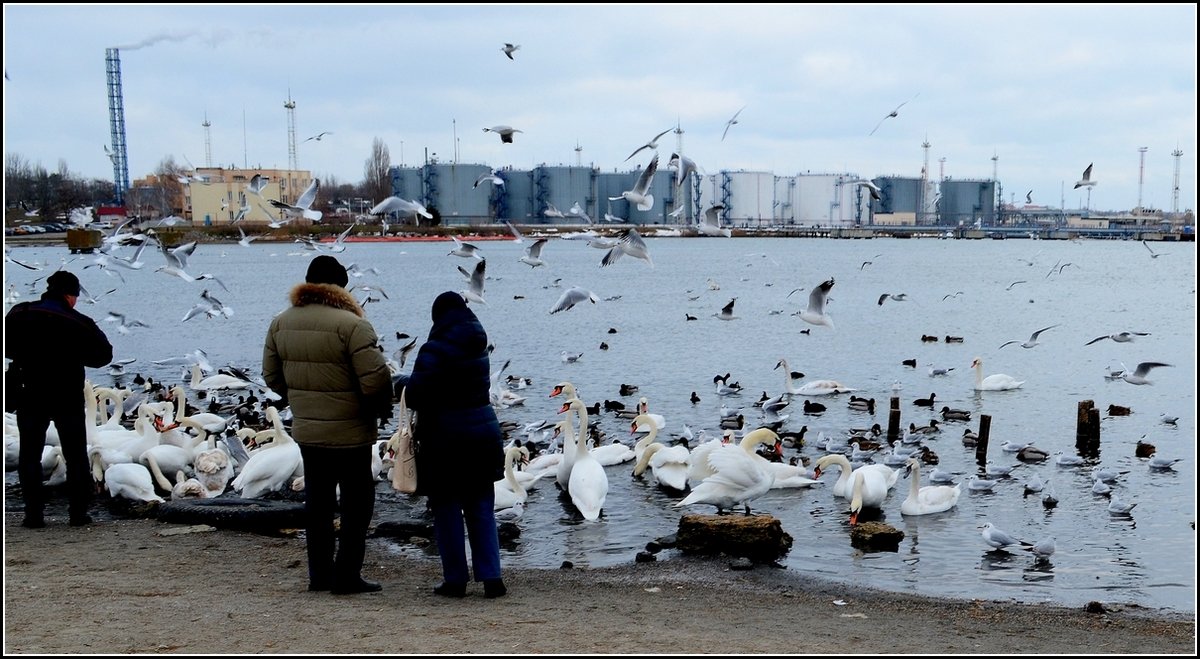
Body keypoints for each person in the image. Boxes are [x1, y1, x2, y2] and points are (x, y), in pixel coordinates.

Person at [262, 255, 393, 595]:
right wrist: (378, 409)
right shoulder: (353, 325)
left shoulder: (280, 323)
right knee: (356, 504)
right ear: (341, 287)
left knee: (317, 504)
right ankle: (347, 575)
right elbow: (376, 378)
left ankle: (319, 575)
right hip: (351, 433)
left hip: (308, 431)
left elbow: (271, 377)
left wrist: (302, 400)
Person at [399, 291, 506, 598]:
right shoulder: (478, 346)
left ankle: (455, 580)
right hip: (484, 434)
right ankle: (492, 577)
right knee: (481, 508)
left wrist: (400, 384)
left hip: (446, 439)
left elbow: (419, 393)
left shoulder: (435, 348)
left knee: (446, 508)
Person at [5, 270, 113, 528]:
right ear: (70, 295)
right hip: (67, 394)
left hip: (29, 392)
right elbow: (103, 356)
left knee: (29, 455)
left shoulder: (20, 313)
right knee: (75, 455)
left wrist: (27, 354)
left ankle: (33, 516)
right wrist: (72, 355)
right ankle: (77, 515)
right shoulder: (79, 322)